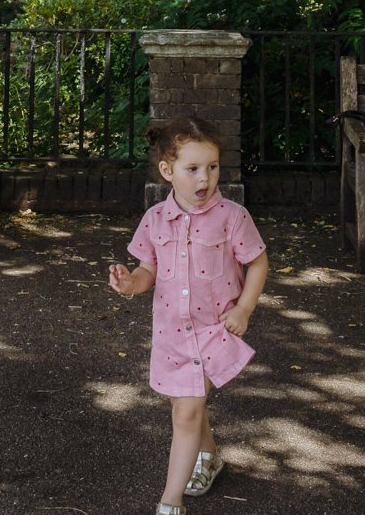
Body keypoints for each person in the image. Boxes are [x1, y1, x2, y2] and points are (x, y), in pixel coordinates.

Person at [109, 117, 269, 515]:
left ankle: (170, 502)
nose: (206, 178)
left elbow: (259, 262)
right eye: (193, 169)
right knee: (185, 406)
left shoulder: (232, 216)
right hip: (172, 332)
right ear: (167, 171)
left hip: (215, 330)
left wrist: (245, 308)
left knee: (186, 411)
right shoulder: (154, 220)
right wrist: (131, 284)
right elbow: (149, 270)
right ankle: (210, 459)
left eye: (212, 167)